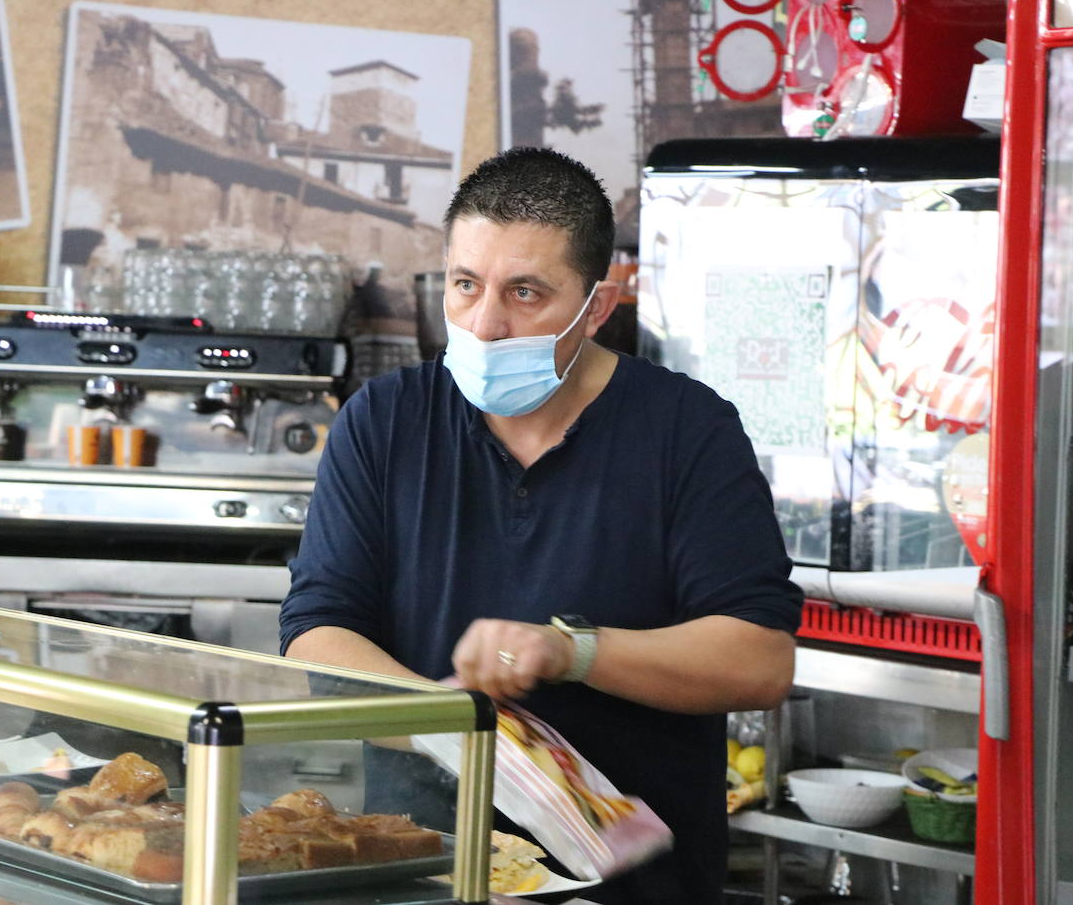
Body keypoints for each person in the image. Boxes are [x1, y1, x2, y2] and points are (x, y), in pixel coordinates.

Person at [280, 147, 802, 904]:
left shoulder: (688, 429)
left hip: (639, 885)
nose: (486, 324)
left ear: (598, 304)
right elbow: (317, 631)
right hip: (423, 866)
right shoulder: (384, 422)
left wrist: (570, 651)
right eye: (466, 285)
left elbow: (758, 662)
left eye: (526, 293)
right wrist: (452, 725)